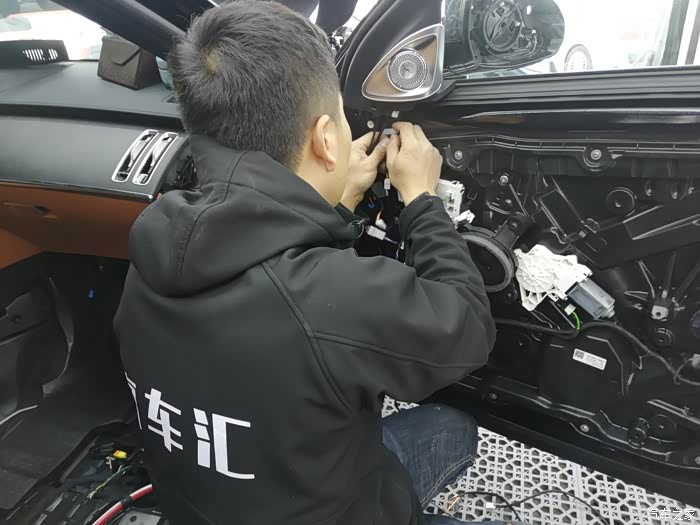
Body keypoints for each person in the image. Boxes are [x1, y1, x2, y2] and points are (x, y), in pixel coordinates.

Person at [115, 2, 513, 524]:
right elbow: (467, 329)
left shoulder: (152, 253)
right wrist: (422, 200)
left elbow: (282, 286)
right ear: (327, 139)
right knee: (453, 428)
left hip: (210, 505)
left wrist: (336, 205)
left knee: (451, 427)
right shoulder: (330, 300)